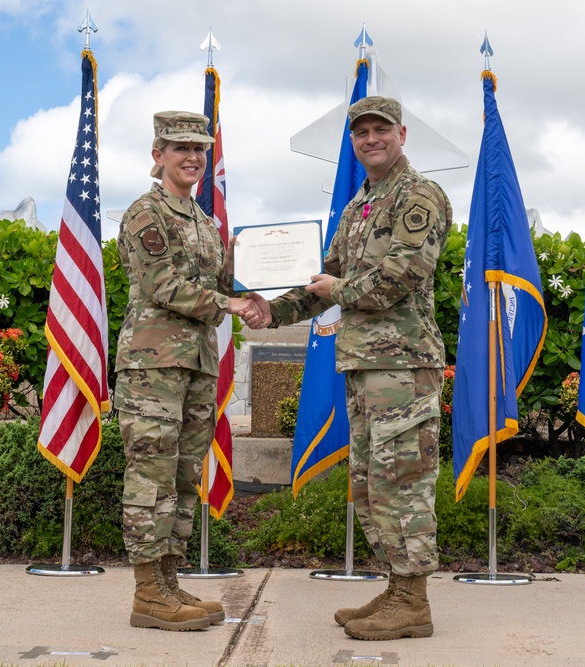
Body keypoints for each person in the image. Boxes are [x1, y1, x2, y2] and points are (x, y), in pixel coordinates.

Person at [246, 96, 452, 640]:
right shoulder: (359, 204)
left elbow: (398, 277)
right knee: (370, 484)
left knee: (402, 481)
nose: (370, 139)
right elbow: (325, 279)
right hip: (364, 366)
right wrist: (273, 310)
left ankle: (414, 602)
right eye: (360, 132)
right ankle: (397, 588)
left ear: (402, 133)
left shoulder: (420, 197)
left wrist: (336, 289)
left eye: (380, 129)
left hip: (403, 367)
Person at [113, 110, 256, 631]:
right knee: (151, 476)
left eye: (199, 149)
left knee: (182, 475)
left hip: (194, 362)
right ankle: (147, 591)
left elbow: (222, 283)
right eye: (180, 149)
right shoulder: (145, 214)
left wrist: (252, 268)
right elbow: (162, 287)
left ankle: (167, 581)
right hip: (152, 366)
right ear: (158, 156)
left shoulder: (204, 222)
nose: (192, 157)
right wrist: (230, 302)